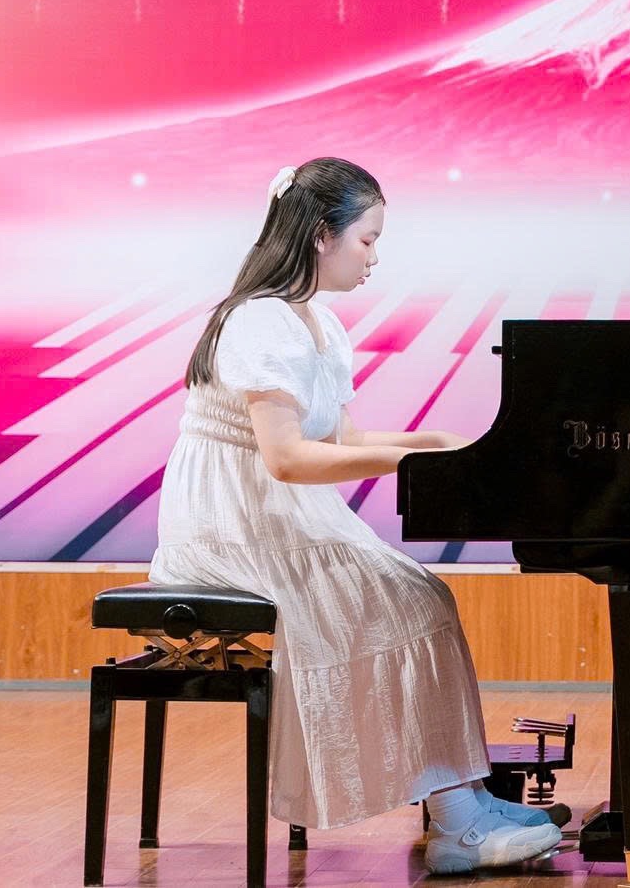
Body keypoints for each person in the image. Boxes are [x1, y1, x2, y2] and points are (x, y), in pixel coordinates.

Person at [147, 156, 560, 873]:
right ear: (320, 235)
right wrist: (409, 462)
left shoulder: (316, 323)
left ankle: (463, 803)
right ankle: (457, 823)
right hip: (230, 526)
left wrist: (435, 443)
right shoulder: (258, 321)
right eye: (367, 239)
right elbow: (285, 458)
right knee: (411, 599)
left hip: (276, 517)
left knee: (422, 595)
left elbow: (340, 439)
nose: (374, 257)